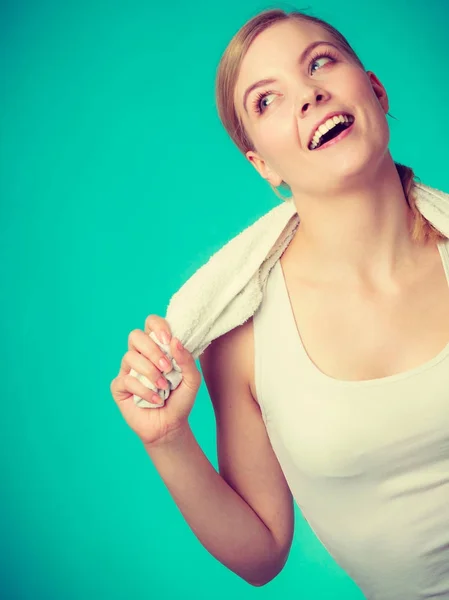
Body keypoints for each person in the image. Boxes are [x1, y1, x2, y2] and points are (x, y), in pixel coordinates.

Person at [110, 8, 449, 597]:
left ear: (373, 89)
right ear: (262, 165)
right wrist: (166, 441)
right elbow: (262, 553)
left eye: (321, 63)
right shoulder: (242, 338)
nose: (309, 95)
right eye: (266, 101)